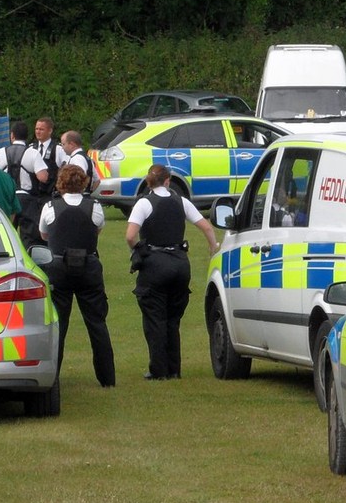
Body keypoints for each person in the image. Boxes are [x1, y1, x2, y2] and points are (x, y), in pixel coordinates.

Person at [125, 164, 221, 380]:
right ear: (168, 181)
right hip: (180, 264)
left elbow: (130, 235)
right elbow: (206, 227)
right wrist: (213, 247)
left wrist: (137, 250)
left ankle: (158, 370)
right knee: (173, 319)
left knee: (155, 320)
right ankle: (174, 369)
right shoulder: (181, 201)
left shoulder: (144, 203)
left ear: (149, 181)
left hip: (155, 265)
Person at [39, 164, 116, 388]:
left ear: (60, 183)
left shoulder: (50, 207)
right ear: (83, 182)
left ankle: (53, 377)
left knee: (58, 325)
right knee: (97, 323)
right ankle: (107, 378)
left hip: (59, 268)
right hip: (88, 266)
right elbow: (97, 229)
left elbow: (44, 234)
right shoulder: (95, 206)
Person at [0, 120, 51, 247]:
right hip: (27, 199)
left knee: (6, 234)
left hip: (7, 198)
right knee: (29, 236)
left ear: (12, 135)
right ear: (27, 136)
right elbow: (43, 177)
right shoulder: (33, 153)